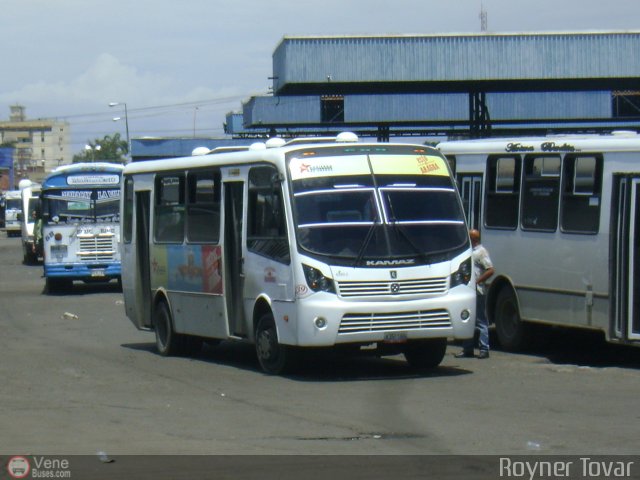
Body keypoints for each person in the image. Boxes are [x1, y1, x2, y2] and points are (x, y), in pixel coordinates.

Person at [456, 228, 495, 359]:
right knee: (468, 319)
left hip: (478, 291)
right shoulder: (469, 252)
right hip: (468, 291)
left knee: (480, 320)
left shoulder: (481, 252)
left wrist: (477, 281)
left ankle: (484, 348)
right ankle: (467, 349)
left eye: (470, 238)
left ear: (474, 239)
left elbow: (490, 270)